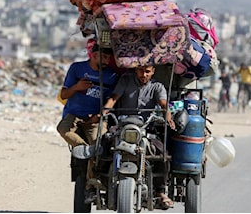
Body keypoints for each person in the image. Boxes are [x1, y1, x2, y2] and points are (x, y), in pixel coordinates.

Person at [101, 65, 176, 209]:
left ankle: (160, 191)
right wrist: (103, 113)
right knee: (104, 146)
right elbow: (114, 98)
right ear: (136, 70)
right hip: (123, 125)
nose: (144, 74)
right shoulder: (125, 81)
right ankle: (100, 180)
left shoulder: (157, 86)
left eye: (147, 71)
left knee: (162, 154)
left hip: (145, 127)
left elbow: (163, 104)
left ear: (153, 71)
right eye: (141, 71)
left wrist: (168, 117)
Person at [56, 43, 118, 203]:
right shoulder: (77, 69)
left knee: (100, 144)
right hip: (74, 114)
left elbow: (112, 100)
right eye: (103, 57)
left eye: (108, 58)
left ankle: (91, 185)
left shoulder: (111, 76)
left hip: (96, 119)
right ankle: (85, 149)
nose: (106, 61)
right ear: (94, 55)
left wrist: (100, 115)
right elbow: (63, 94)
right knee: (63, 129)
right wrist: (77, 87)